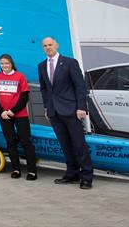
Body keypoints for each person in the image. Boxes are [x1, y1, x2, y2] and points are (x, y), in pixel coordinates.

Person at [39, 37, 93, 189]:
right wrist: (46, 107)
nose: (48, 47)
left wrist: (81, 107)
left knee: (79, 144)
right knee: (65, 145)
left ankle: (87, 176)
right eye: (45, 46)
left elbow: (80, 87)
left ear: (56, 45)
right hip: (54, 112)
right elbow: (44, 89)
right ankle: (72, 173)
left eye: (50, 45)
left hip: (72, 110)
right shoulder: (42, 66)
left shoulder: (70, 63)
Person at [0, 54, 37, 181]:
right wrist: (2, 111)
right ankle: (16, 169)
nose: (4, 66)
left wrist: (13, 111)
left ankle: (32, 171)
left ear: (11, 63)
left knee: (26, 142)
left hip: (19, 114)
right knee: (10, 142)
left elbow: (24, 97)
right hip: (4, 115)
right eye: (2, 63)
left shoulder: (20, 76)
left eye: (6, 63)